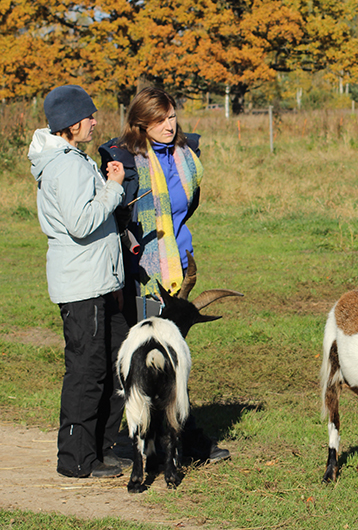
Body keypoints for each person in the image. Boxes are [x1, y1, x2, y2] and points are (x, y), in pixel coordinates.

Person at [99, 87, 229, 464]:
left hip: (179, 268)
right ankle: (136, 440)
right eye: (159, 119)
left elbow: (186, 206)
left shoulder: (186, 157)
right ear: (140, 122)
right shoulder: (126, 159)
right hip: (143, 269)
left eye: (172, 117)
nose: (168, 125)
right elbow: (114, 215)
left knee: (176, 356)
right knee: (143, 357)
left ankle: (177, 436)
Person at [29, 85, 130, 478]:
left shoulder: (72, 158)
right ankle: (75, 459)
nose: (94, 121)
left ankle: (102, 447)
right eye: (89, 116)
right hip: (82, 286)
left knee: (112, 363)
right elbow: (82, 222)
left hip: (98, 281)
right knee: (87, 373)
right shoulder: (66, 165)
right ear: (71, 123)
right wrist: (115, 188)